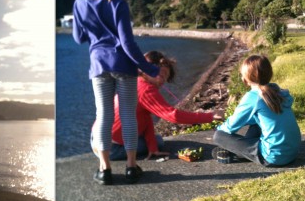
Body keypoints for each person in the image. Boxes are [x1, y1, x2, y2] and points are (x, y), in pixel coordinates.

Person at [73, 0, 162, 185]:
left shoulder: (80, 3)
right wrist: (150, 70)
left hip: (99, 66)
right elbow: (127, 43)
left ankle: (105, 170)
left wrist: (94, 32)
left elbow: (78, 37)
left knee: (103, 115)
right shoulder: (119, 4)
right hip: (123, 65)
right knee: (128, 115)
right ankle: (132, 167)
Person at [92, 51, 224, 160]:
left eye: (165, 77)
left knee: (155, 141)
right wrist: (210, 116)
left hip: (97, 138)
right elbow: (174, 116)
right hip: (111, 148)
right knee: (159, 141)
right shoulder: (146, 90)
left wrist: (152, 148)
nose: (163, 80)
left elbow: (145, 118)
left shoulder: (136, 82)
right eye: (161, 74)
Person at [213, 54, 301, 166]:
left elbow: (231, 126)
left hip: (273, 157)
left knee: (219, 136)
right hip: (292, 152)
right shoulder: (278, 91)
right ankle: (243, 152)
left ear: (246, 78)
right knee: (255, 123)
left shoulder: (253, 97)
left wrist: (219, 129)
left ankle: (240, 154)